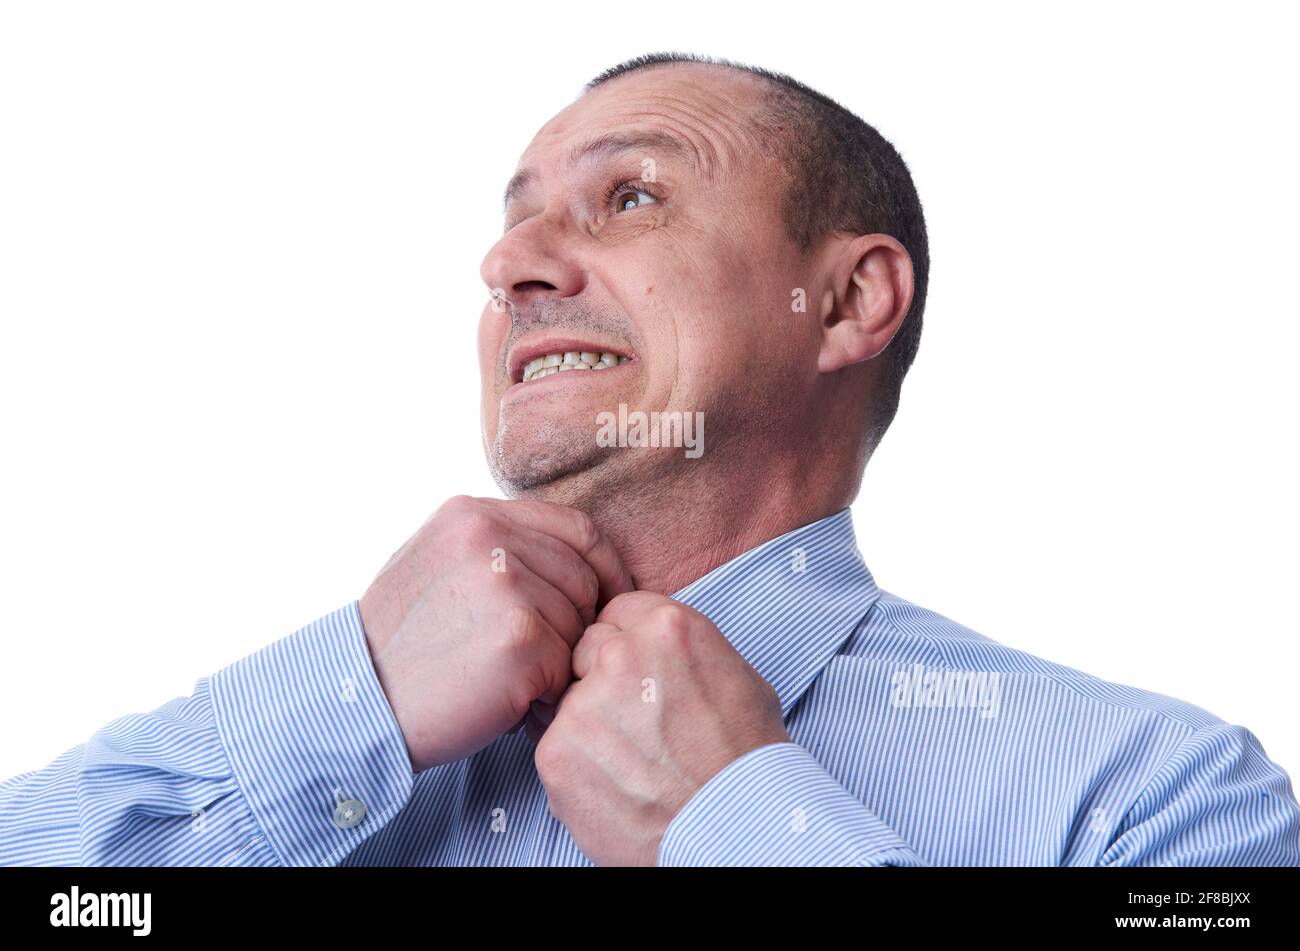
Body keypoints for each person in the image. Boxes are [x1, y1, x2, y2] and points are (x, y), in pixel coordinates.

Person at [3, 52, 1297, 867]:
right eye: (513, 227)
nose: (512, 266)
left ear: (846, 303)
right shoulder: (320, 721)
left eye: (631, 198)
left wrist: (746, 833)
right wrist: (345, 706)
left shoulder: (1156, 801)